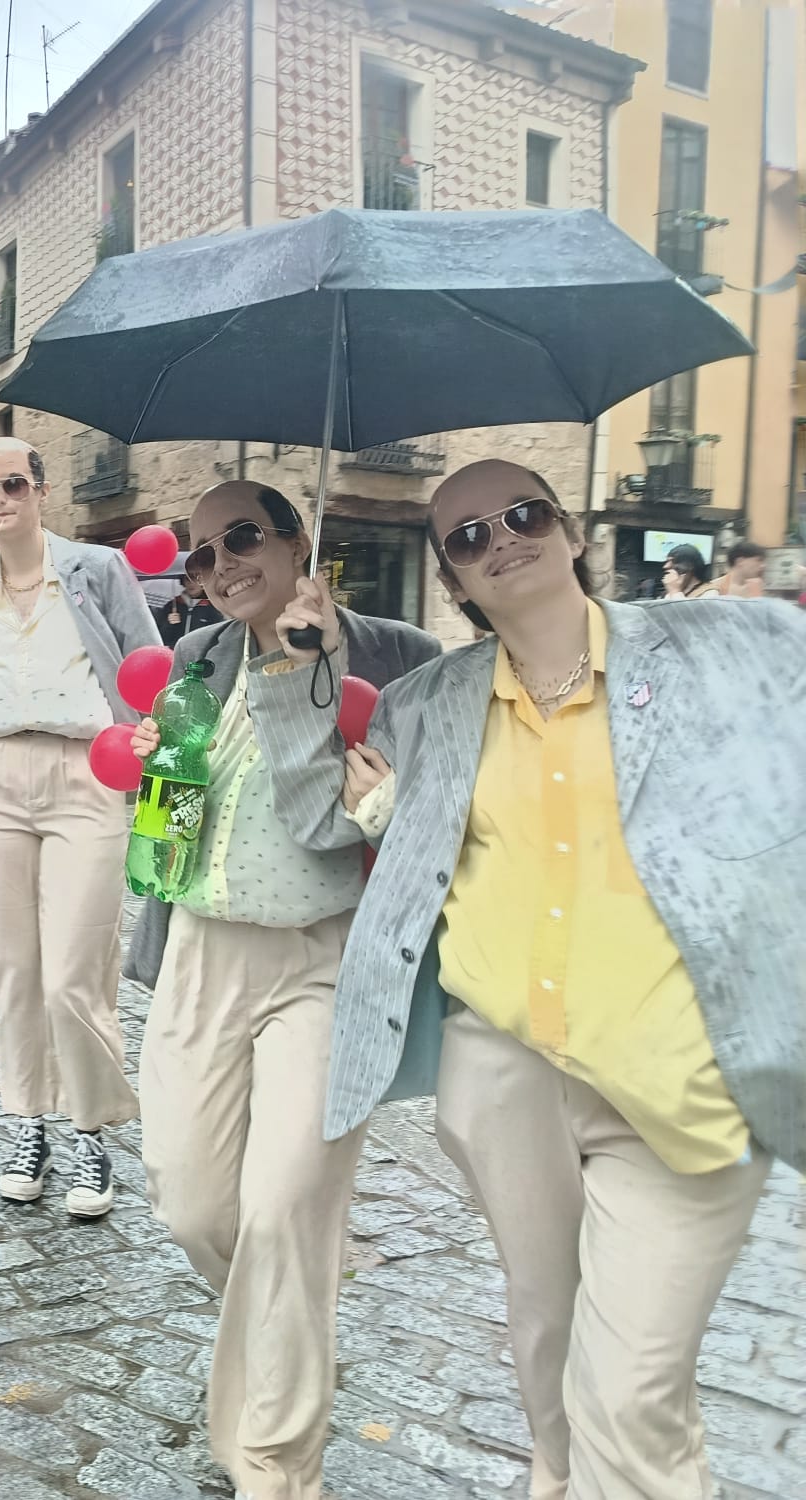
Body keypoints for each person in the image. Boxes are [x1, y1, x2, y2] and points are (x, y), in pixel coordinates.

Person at [260, 459, 805, 1500]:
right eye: (464, 536)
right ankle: (552, 1475)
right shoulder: (428, 706)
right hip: (503, 1075)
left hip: (679, 1086)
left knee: (633, 1386)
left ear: (566, 531)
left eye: (520, 514)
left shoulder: (707, 647)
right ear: (452, 582)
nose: (497, 538)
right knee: (544, 1325)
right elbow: (315, 818)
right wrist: (298, 668)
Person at [123, 482, 439, 1500]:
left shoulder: (395, 657)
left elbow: (394, 819)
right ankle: (287, 1339)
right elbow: (169, 830)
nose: (218, 570)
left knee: (281, 1207)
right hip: (199, 954)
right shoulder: (197, 658)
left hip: (322, 961)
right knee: (191, 1204)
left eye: (241, 541)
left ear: (298, 538)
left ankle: (274, 1463)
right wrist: (154, 781)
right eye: (200, 558)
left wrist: (387, 798)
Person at [0, 436, 160, 1219]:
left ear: (41, 490)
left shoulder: (98, 572)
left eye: (11, 485)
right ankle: (29, 1124)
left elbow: (148, 663)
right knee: (12, 968)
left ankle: (93, 1133)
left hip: (87, 772)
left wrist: (141, 734)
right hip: (0, 774)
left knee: (74, 968)